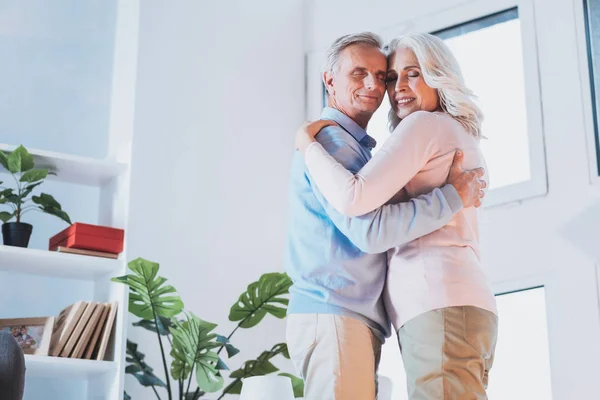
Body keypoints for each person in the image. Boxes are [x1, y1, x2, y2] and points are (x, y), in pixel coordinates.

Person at [295, 32, 498, 399]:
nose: (390, 86)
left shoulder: (424, 126)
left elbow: (355, 199)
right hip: (442, 303)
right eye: (394, 77)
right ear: (330, 80)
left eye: (413, 74)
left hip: (437, 300)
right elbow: (369, 225)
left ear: (438, 76)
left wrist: (305, 143)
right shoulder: (341, 141)